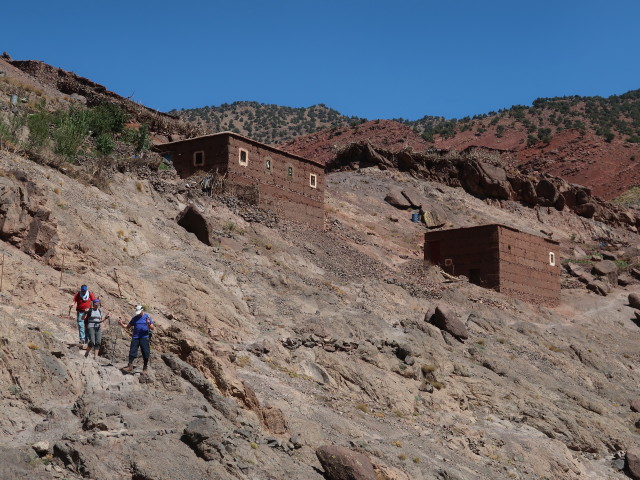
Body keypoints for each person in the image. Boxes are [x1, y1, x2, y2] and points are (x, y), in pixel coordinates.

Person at [118, 305, 155, 374]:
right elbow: (128, 327)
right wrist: (121, 324)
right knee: (132, 351)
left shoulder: (147, 317)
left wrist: (148, 324)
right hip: (135, 337)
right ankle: (130, 366)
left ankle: (145, 367)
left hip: (144, 337)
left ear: (142, 310)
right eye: (138, 312)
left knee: (145, 352)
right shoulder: (134, 318)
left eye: (140, 312)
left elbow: (152, 327)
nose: (139, 314)